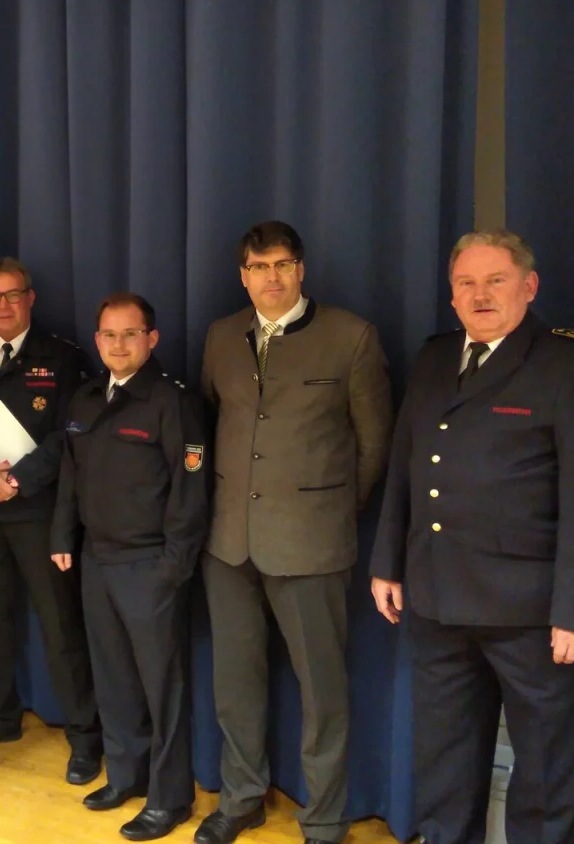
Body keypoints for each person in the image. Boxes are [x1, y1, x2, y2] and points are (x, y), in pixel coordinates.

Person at [369, 229, 574, 844]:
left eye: (496, 280)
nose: (480, 295)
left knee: (545, 774)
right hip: (438, 599)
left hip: (533, 613)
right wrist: (388, 562)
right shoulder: (436, 358)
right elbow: (406, 467)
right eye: (466, 283)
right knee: (444, 764)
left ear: (529, 286)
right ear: (451, 294)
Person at [194, 222, 393, 844]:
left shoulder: (351, 336)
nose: (271, 277)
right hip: (229, 543)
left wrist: (329, 511)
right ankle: (242, 797)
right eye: (259, 267)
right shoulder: (221, 336)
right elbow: (212, 423)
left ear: (301, 270)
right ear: (243, 276)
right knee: (235, 682)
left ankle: (325, 818)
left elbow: (373, 446)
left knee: (322, 690)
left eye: (282, 264)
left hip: (312, 544)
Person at [51, 293, 208, 842]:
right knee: (113, 677)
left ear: (151, 339)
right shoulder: (87, 397)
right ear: (97, 341)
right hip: (97, 559)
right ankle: (126, 776)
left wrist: (173, 566)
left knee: (162, 687)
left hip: (150, 565)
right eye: (109, 335)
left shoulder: (172, 401)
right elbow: (70, 474)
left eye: (130, 334)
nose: (119, 345)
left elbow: (190, 490)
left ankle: (169, 798)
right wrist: (62, 536)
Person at [0, 258, 102, 784]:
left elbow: (70, 434)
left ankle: (84, 734)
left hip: (39, 511)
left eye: (13, 295)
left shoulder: (63, 357)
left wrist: (18, 479)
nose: (4, 306)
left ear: (30, 297)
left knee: (61, 624)